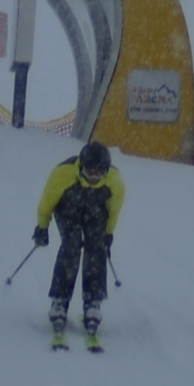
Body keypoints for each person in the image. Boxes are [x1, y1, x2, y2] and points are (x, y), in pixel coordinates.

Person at [33, 140, 124, 340]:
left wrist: (108, 234)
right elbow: (47, 201)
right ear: (81, 167)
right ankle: (59, 300)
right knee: (71, 246)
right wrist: (42, 226)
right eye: (90, 172)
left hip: (96, 211)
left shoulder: (115, 181)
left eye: (99, 173)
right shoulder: (62, 174)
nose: (94, 178)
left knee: (96, 247)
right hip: (68, 208)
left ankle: (93, 302)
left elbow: (113, 211)